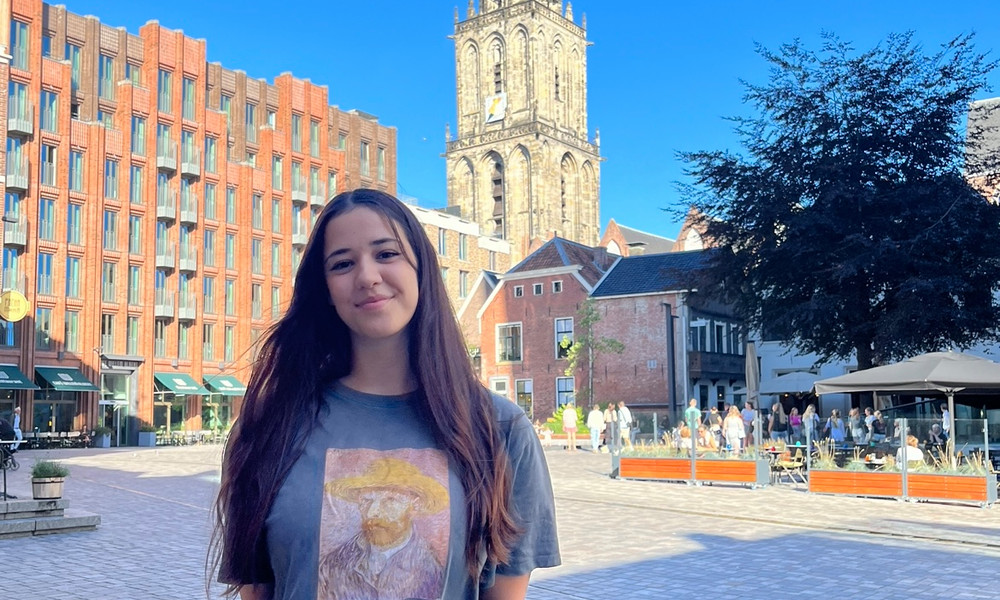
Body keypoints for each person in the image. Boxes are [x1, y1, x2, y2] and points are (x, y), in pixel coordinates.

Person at [212, 189, 560, 600]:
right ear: (324, 289)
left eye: (386, 254)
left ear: (420, 269)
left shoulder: (500, 428)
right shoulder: (268, 429)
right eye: (342, 263)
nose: (367, 276)